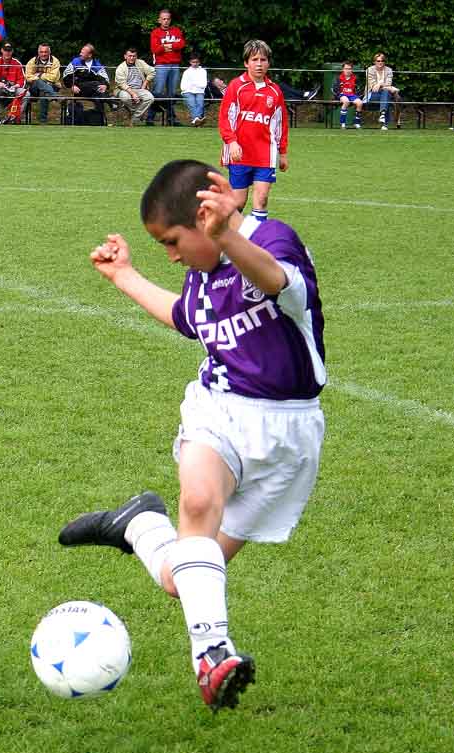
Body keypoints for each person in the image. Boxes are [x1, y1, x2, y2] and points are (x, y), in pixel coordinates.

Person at [59, 158, 325, 713]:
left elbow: (277, 282)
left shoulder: (271, 240)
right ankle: (211, 653)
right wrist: (125, 276)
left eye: (172, 241)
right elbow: (187, 317)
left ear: (205, 218)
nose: (173, 255)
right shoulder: (200, 275)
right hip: (219, 409)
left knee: (184, 579)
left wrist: (228, 235)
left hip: (290, 434)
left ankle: (137, 524)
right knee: (199, 498)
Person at [218, 39, 289, 221]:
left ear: (268, 63)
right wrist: (231, 142)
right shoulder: (236, 86)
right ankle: (225, 242)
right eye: (255, 59)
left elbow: (280, 123)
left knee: (262, 199)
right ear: (246, 62)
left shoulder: (275, 91)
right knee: (238, 203)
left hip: (265, 153)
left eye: (263, 60)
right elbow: (225, 118)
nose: (259, 64)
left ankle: (254, 246)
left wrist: (282, 152)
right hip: (240, 154)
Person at [148, 9, 185, 126]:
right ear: (159, 20)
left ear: (170, 19)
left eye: (168, 18)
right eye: (163, 19)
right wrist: (172, 46)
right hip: (161, 65)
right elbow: (155, 49)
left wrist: (165, 46)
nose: (166, 21)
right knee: (157, 92)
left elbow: (181, 44)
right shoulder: (155, 33)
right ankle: (150, 118)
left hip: (175, 65)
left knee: (172, 93)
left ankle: (171, 118)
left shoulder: (176, 31)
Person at [62, 43, 111, 125]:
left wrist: (105, 85)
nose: (80, 54)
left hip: (94, 92)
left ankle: (100, 123)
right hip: (79, 90)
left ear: (90, 55)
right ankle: (111, 101)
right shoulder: (75, 62)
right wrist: (72, 86)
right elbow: (65, 76)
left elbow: (105, 78)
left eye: (83, 52)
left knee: (99, 95)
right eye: (81, 51)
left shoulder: (96, 64)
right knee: (96, 85)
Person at [0, 42, 28, 124]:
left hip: (14, 88)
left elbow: (22, 80)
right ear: (2, 50)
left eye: (9, 50)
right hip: (0, 87)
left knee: (26, 94)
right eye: (5, 50)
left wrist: (15, 86)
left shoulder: (17, 63)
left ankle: (15, 116)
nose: (7, 53)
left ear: (12, 51)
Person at [114, 47, 154, 125]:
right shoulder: (120, 68)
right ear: (125, 56)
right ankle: (139, 114)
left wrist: (145, 83)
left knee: (150, 98)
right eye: (130, 56)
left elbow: (152, 71)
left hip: (140, 89)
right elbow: (121, 84)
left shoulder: (141, 63)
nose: (132, 58)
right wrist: (133, 94)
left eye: (134, 56)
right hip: (124, 90)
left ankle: (135, 117)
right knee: (126, 98)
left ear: (136, 56)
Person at [24, 43, 61, 124]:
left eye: (45, 52)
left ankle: (43, 121)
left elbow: (53, 78)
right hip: (34, 88)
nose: (43, 54)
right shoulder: (32, 61)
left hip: (53, 85)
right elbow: (27, 77)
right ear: (38, 52)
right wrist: (40, 79)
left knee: (44, 92)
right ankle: (54, 96)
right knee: (38, 82)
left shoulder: (55, 61)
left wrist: (39, 75)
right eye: (41, 52)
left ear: (49, 52)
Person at [365, 53, 401, 130]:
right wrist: (387, 87)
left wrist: (380, 84)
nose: (380, 62)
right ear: (374, 62)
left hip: (385, 94)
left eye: (382, 60)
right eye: (378, 61)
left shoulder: (389, 70)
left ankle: (383, 114)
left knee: (385, 93)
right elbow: (373, 87)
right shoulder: (369, 70)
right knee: (386, 93)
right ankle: (385, 123)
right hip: (372, 95)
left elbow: (388, 83)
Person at [334, 61, 363, 129]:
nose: (348, 70)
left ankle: (357, 123)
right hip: (343, 94)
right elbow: (335, 88)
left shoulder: (355, 78)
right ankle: (343, 123)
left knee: (360, 103)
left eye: (349, 69)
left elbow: (359, 88)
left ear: (352, 70)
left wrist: (357, 94)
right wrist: (339, 94)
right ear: (343, 69)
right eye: (346, 68)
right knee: (346, 101)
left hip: (352, 95)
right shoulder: (339, 78)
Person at [180, 53, 207, 125]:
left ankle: (195, 120)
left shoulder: (203, 71)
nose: (195, 64)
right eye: (193, 62)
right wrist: (195, 84)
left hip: (199, 91)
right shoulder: (187, 72)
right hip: (188, 91)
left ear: (199, 62)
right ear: (190, 62)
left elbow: (203, 84)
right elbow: (183, 86)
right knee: (192, 103)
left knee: (200, 103)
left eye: (196, 62)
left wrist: (193, 84)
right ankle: (197, 119)